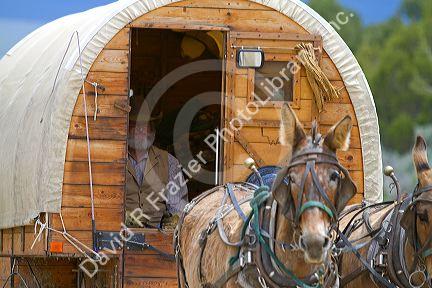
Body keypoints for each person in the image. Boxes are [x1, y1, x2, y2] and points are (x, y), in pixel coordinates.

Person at [125, 100, 188, 228]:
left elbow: (177, 206)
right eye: (134, 124)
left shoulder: (169, 162)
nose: (140, 130)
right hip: (119, 235)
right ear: (125, 127)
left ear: (151, 128)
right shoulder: (114, 159)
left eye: (145, 125)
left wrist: (173, 220)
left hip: (157, 237)